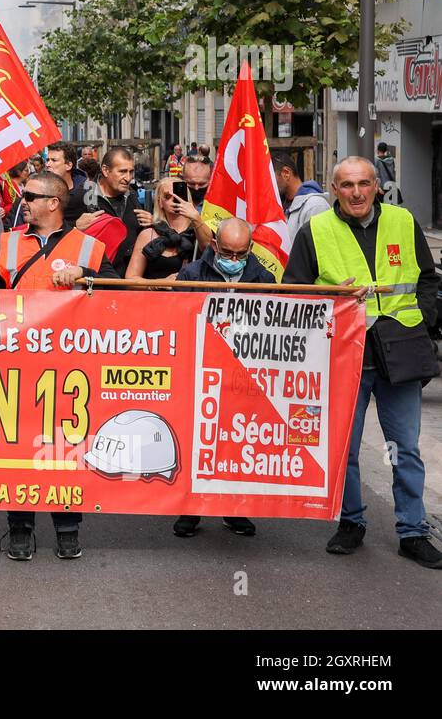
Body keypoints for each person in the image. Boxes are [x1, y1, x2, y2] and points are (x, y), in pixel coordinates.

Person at [282, 157, 442, 569]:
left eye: (364, 184)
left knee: (404, 448)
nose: (357, 192)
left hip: (400, 351)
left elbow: (427, 278)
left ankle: (412, 531)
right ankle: (352, 522)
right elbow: (291, 292)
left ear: (377, 187)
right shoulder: (316, 229)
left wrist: (423, 318)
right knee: (345, 449)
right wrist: (330, 296)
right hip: (344, 355)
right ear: (334, 189)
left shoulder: (403, 222)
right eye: (348, 185)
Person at [0, 171, 118, 561]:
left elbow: (118, 288)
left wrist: (87, 274)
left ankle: (67, 529)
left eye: (30, 195)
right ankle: (19, 527)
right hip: (17, 362)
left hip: (68, 366)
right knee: (16, 446)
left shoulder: (88, 247)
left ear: (54, 203)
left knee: (63, 449)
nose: (22, 201)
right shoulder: (9, 242)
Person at [171, 217, 274, 538]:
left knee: (236, 443)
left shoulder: (265, 279)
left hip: (244, 374)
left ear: (251, 249)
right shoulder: (191, 275)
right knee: (196, 442)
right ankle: (191, 509)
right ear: (213, 245)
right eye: (226, 252)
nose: (232, 260)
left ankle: (235, 509)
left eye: (240, 254)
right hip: (200, 369)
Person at [79, 147, 152, 275]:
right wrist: (75, 227)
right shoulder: (84, 195)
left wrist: (151, 224)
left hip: (129, 281)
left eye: (131, 172)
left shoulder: (132, 196)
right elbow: (58, 234)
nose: (128, 178)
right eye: (122, 171)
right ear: (106, 170)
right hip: (97, 281)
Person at [125, 178, 199, 280]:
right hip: (157, 295)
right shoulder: (148, 234)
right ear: (160, 202)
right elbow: (131, 278)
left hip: (193, 295)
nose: (174, 200)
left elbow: (209, 247)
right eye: (168, 196)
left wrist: (197, 220)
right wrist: (159, 284)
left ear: (187, 198)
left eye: (179, 195)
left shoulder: (199, 231)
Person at [273, 151, 331, 239]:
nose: (268, 184)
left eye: (271, 178)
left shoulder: (315, 206)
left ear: (286, 173)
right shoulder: (282, 204)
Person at [45, 143, 88, 222]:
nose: (48, 164)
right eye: (47, 160)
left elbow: (96, 221)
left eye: (54, 160)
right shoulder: (39, 190)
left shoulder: (87, 190)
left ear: (68, 165)